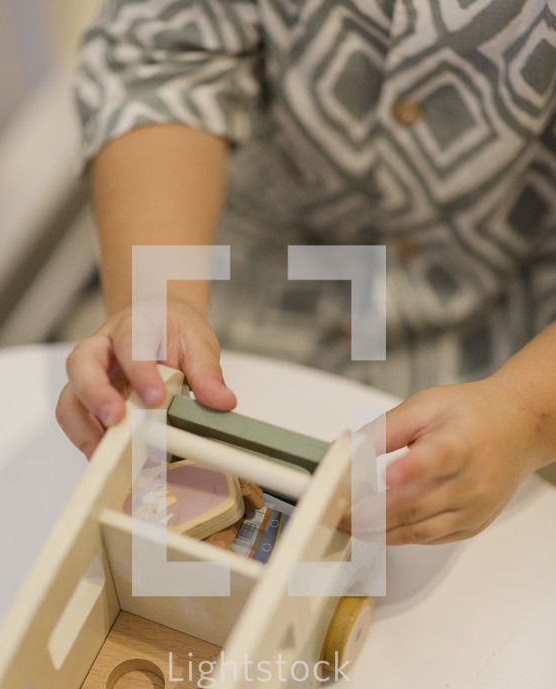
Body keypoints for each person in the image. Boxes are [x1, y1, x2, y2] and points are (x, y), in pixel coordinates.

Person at [56, 0, 556, 545]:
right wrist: (156, 298)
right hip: (230, 287)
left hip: (507, 350)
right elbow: (159, 51)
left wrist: (525, 413)